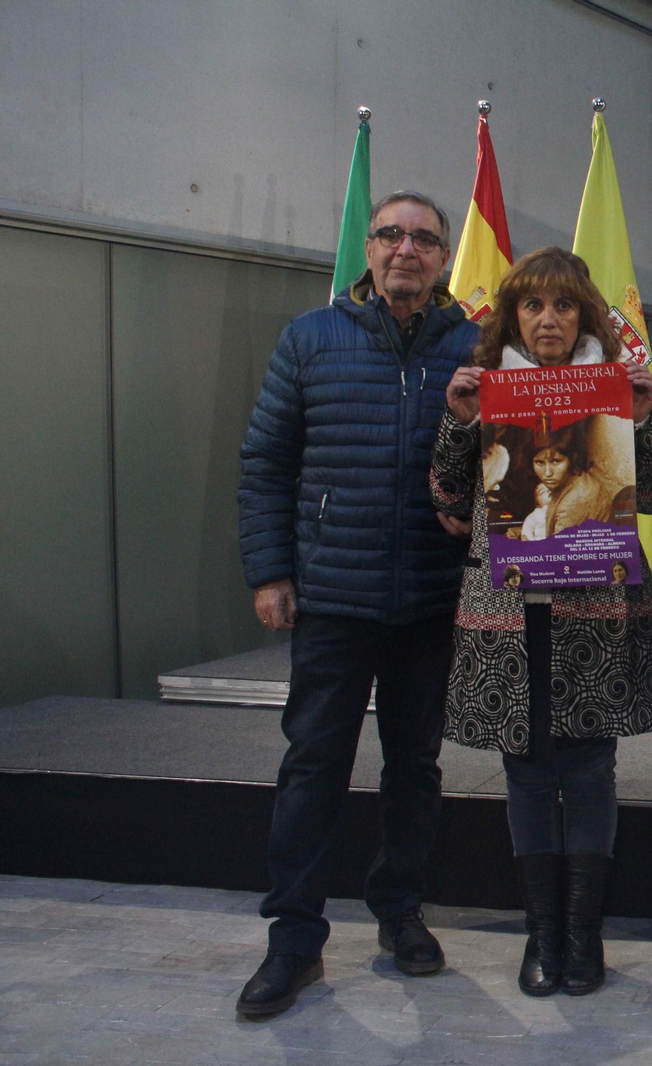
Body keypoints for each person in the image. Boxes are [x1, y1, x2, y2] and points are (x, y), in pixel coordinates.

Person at [235, 190, 478, 1016]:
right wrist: (270, 573)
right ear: (368, 249)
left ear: (445, 258)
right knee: (312, 768)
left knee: (415, 767)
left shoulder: (477, 348)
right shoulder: (311, 339)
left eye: (423, 238)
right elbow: (265, 463)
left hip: (432, 599)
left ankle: (400, 912)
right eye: (390, 234)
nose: (405, 249)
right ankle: (293, 939)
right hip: (333, 598)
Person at [431, 247, 652, 998]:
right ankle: (542, 935)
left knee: (592, 770)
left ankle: (585, 934)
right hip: (507, 614)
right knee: (527, 773)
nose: (548, 319)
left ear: (586, 317)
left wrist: (642, 419)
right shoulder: (487, 388)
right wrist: (457, 419)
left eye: (564, 306)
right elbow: (445, 496)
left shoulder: (615, 391)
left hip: (594, 611)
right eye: (533, 306)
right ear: (512, 316)